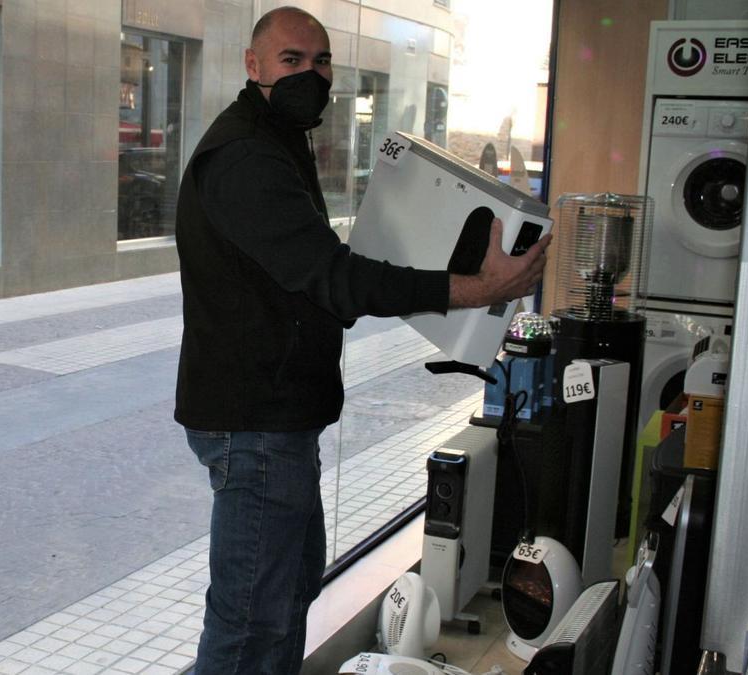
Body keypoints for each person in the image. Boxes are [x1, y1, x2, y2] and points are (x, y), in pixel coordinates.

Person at [172, 7, 552, 674]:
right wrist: (473, 289)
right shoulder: (246, 157)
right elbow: (333, 279)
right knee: (248, 624)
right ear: (253, 65)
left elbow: (303, 280)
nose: (312, 75)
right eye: (292, 61)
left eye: (322, 63)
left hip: (275, 420)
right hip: (255, 426)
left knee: (282, 604)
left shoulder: (276, 139)